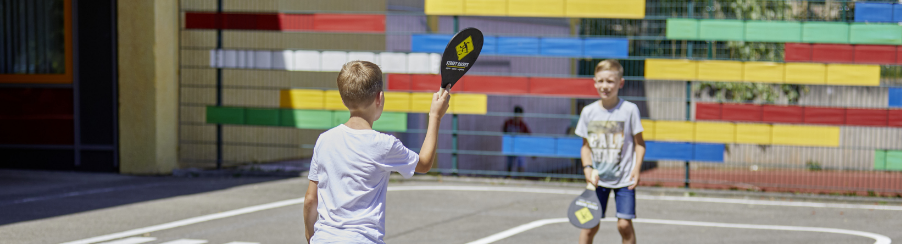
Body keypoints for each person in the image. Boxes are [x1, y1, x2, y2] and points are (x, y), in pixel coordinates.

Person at [303, 61, 450, 243]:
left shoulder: (323, 140)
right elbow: (425, 163)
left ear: (342, 99)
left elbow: (311, 199)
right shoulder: (384, 145)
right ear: (379, 98)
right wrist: (435, 116)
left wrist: (310, 236)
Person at [575, 60, 646, 244]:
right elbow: (585, 147)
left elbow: (640, 144)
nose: (605, 86)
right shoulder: (588, 112)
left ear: (620, 83)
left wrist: (637, 169)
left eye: (610, 81)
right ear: (594, 82)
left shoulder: (630, 110)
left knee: (624, 225)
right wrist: (587, 169)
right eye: (601, 81)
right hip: (598, 180)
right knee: (589, 225)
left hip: (624, 180)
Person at [502, 106, 531, 174]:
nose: (518, 118)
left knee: (521, 162)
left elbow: (529, 135)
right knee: (509, 163)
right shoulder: (508, 123)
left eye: (520, 116)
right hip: (510, 146)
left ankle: (520, 178)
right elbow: (504, 132)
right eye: (517, 116)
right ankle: (508, 177)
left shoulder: (522, 125)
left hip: (519, 147)